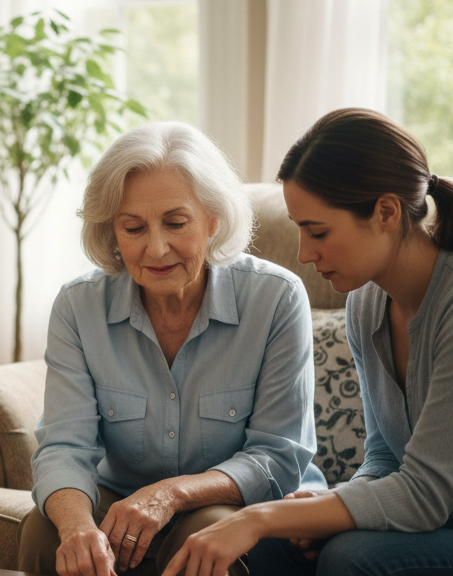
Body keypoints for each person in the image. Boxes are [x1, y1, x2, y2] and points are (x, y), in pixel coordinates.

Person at [19, 121, 327, 576]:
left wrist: (170, 494)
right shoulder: (77, 305)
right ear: (113, 233)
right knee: (43, 531)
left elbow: (277, 457)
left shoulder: (276, 297)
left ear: (212, 221)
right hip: (120, 497)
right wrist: (76, 527)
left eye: (176, 223)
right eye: (134, 227)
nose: (156, 248)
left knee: (203, 536)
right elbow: (65, 445)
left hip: (231, 502)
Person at [162, 108, 453, 576]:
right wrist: (322, 513)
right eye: (299, 229)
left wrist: (265, 515)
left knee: (348, 557)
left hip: (437, 514)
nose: (303, 253)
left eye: (317, 231)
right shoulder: (365, 302)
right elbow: (383, 456)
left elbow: (426, 493)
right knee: (268, 549)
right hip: (429, 516)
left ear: (386, 211)